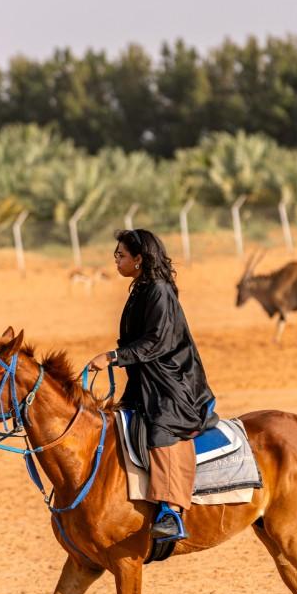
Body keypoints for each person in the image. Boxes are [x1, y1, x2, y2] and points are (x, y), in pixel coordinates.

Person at [87, 229, 217, 541]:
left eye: (121, 255)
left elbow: (159, 341)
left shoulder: (159, 290)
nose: (116, 261)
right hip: (146, 380)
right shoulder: (140, 289)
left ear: (139, 259)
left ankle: (171, 511)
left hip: (173, 383)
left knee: (161, 428)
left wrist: (113, 357)